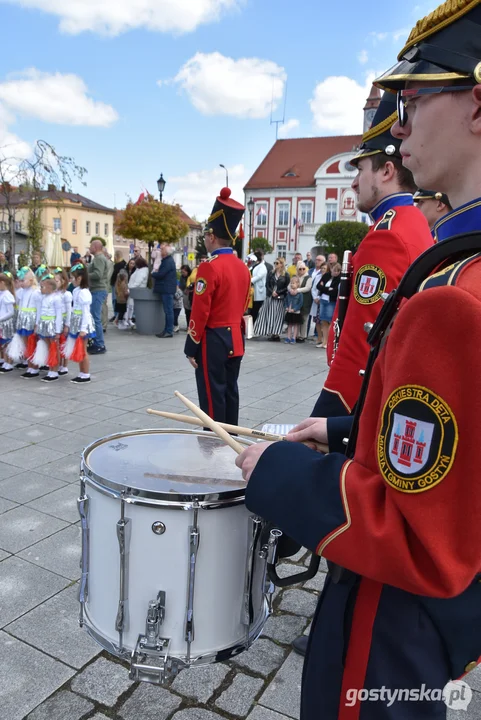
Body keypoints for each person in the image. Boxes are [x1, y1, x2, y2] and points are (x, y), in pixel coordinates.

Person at [237, 2, 481, 718]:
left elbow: (419, 541)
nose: (397, 124)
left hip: (394, 616)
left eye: (413, 98)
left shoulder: (454, 294)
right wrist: (345, 434)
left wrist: (281, 476)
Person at [310, 90, 434, 421]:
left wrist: (329, 416)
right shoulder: (413, 223)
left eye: (360, 168)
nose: (353, 183)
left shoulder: (387, 236)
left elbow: (364, 341)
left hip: (363, 404)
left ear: (386, 171)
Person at [184, 187, 251, 424]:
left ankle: (214, 447)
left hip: (213, 340)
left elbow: (200, 311)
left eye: (205, 236)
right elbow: (244, 302)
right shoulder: (243, 267)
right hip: (236, 337)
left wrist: (191, 346)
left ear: (212, 236)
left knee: (212, 398)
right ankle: (232, 439)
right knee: (231, 392)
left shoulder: (209, 267)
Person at [63, 263, 95, 383]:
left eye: (72, 278)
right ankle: (81, 373)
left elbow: (86, 312)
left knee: (83, 349)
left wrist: (83, 329)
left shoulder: (84, 293)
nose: (71, 280)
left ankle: (85, 374)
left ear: (79, 278)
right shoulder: (76, 291)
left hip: (83, 323)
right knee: (79, 348)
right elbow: (73, 308)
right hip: (76, 322)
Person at [31, 275, 63, 382]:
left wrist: (58, 331)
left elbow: (59, 316)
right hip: (44, 324)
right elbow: (40, 312)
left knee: (53, 347)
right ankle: (50, 368)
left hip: (52, 325)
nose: (41, 289)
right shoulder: (44, 298)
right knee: (49, 347)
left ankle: (54, 371)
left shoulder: (57, 298)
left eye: (43, 287)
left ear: (50, 287)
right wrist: (37, 324)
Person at [253, 257, 290, 340]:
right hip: (271, 297)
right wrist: (271, 292)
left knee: (278, 316)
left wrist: (278, 292)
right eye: (275, 263)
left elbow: (287, 287)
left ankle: (276, 334)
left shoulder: (286, 274)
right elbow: (267, 284)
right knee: (269, 315)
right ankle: (270, 332)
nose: (275, 265)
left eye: (277, 263)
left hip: (280, 298)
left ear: (281, 264)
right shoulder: (271, 273)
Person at [86, 239, 109, 354]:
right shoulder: (97, 258)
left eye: (90, 246)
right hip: (96, 290)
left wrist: (86, 275)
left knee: (96, 317)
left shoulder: (99, 259)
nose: (89, 248)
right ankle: (95, 342)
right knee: (94, 317)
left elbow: (98, 274)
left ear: (95, 247)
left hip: (98, 290)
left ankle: (99, 344)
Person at [152, 244, 177, 338]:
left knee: (168, 311)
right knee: (168, 310)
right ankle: (166, 330)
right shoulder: (168, 260)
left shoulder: (168, 262)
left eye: (162, 250)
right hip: (167, 288)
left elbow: (161, 274)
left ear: (165, 253)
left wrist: (153, 273)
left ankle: (169, 331)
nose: (160, 251)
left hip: (167, 289)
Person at [316, 262, 341, 348]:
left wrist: (325, 289)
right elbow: (318, 286)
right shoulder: (326, 275)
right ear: (331, 269)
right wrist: (327, 289)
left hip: (331, 301)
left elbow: (334, 291)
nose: (336, 273)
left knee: (330, 320)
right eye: (334, 271)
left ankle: (329, 342)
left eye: (338, 271)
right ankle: (324, 341)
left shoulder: (339, 278)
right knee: (323, 321)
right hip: (323, 300)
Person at [0, 271, 15, 372]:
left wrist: (1, 318)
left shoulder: (7, 295)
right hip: (1, 322)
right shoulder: (2, 294)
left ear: (3, 283)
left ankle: (9, 363)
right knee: (2, 344)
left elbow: (10, 312)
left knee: (7, 344)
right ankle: (5, 361)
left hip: (6, 323)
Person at [284, 275, 303, 343]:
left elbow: (300, 303)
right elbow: (285, 301)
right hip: (289, 311)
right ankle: (288, 337)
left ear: (297, 284)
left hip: (296, 312)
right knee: (289, 325)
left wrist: (294, 309)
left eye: (293, 283)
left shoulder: (300, 294)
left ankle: (294, 337)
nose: (292, 284)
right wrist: (286, 307)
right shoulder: (289, 293)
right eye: (291, 283)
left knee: (295, 325)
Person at [250, 249, 267, 324]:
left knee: (256, 310)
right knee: (252, 311)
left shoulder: (262, 267)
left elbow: (258, 277)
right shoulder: (254, 265)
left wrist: (249, 280)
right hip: (253, 292)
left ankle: (255, 327)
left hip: (259, 292)